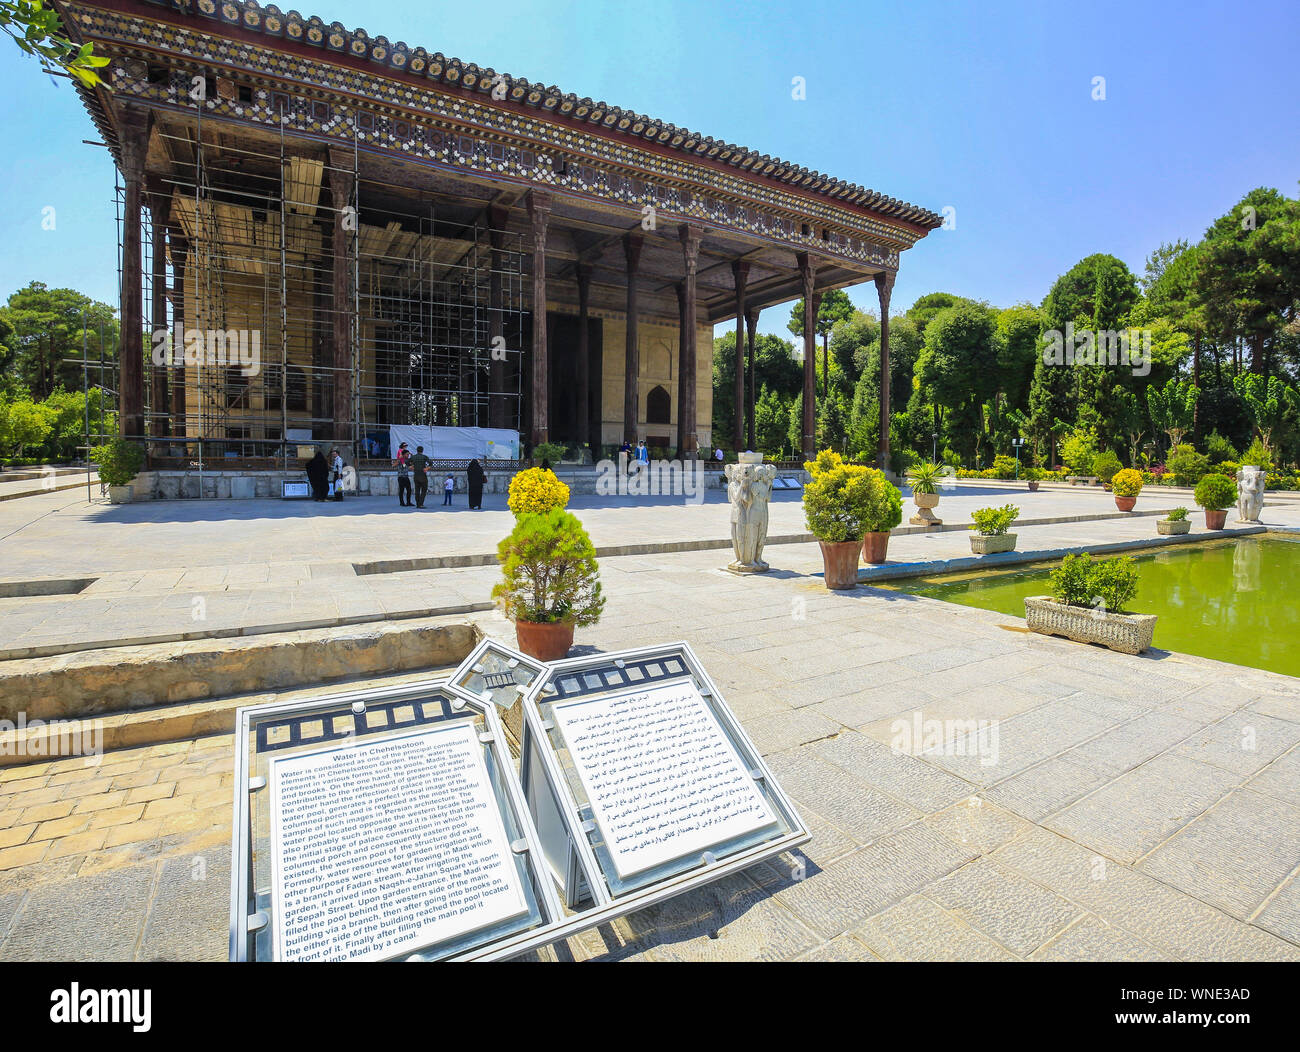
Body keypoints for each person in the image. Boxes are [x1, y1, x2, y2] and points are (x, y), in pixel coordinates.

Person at [394, 441, 412, 507]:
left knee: (409, 490)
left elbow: (410, 465)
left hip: (406, 476)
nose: (408, 455)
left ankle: (408, 502)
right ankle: (402, 503)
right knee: (401, 490)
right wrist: (399, 460)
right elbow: (394, 464)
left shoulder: (407, 459)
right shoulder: (400, 451)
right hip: (401, 477)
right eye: (407, 454)